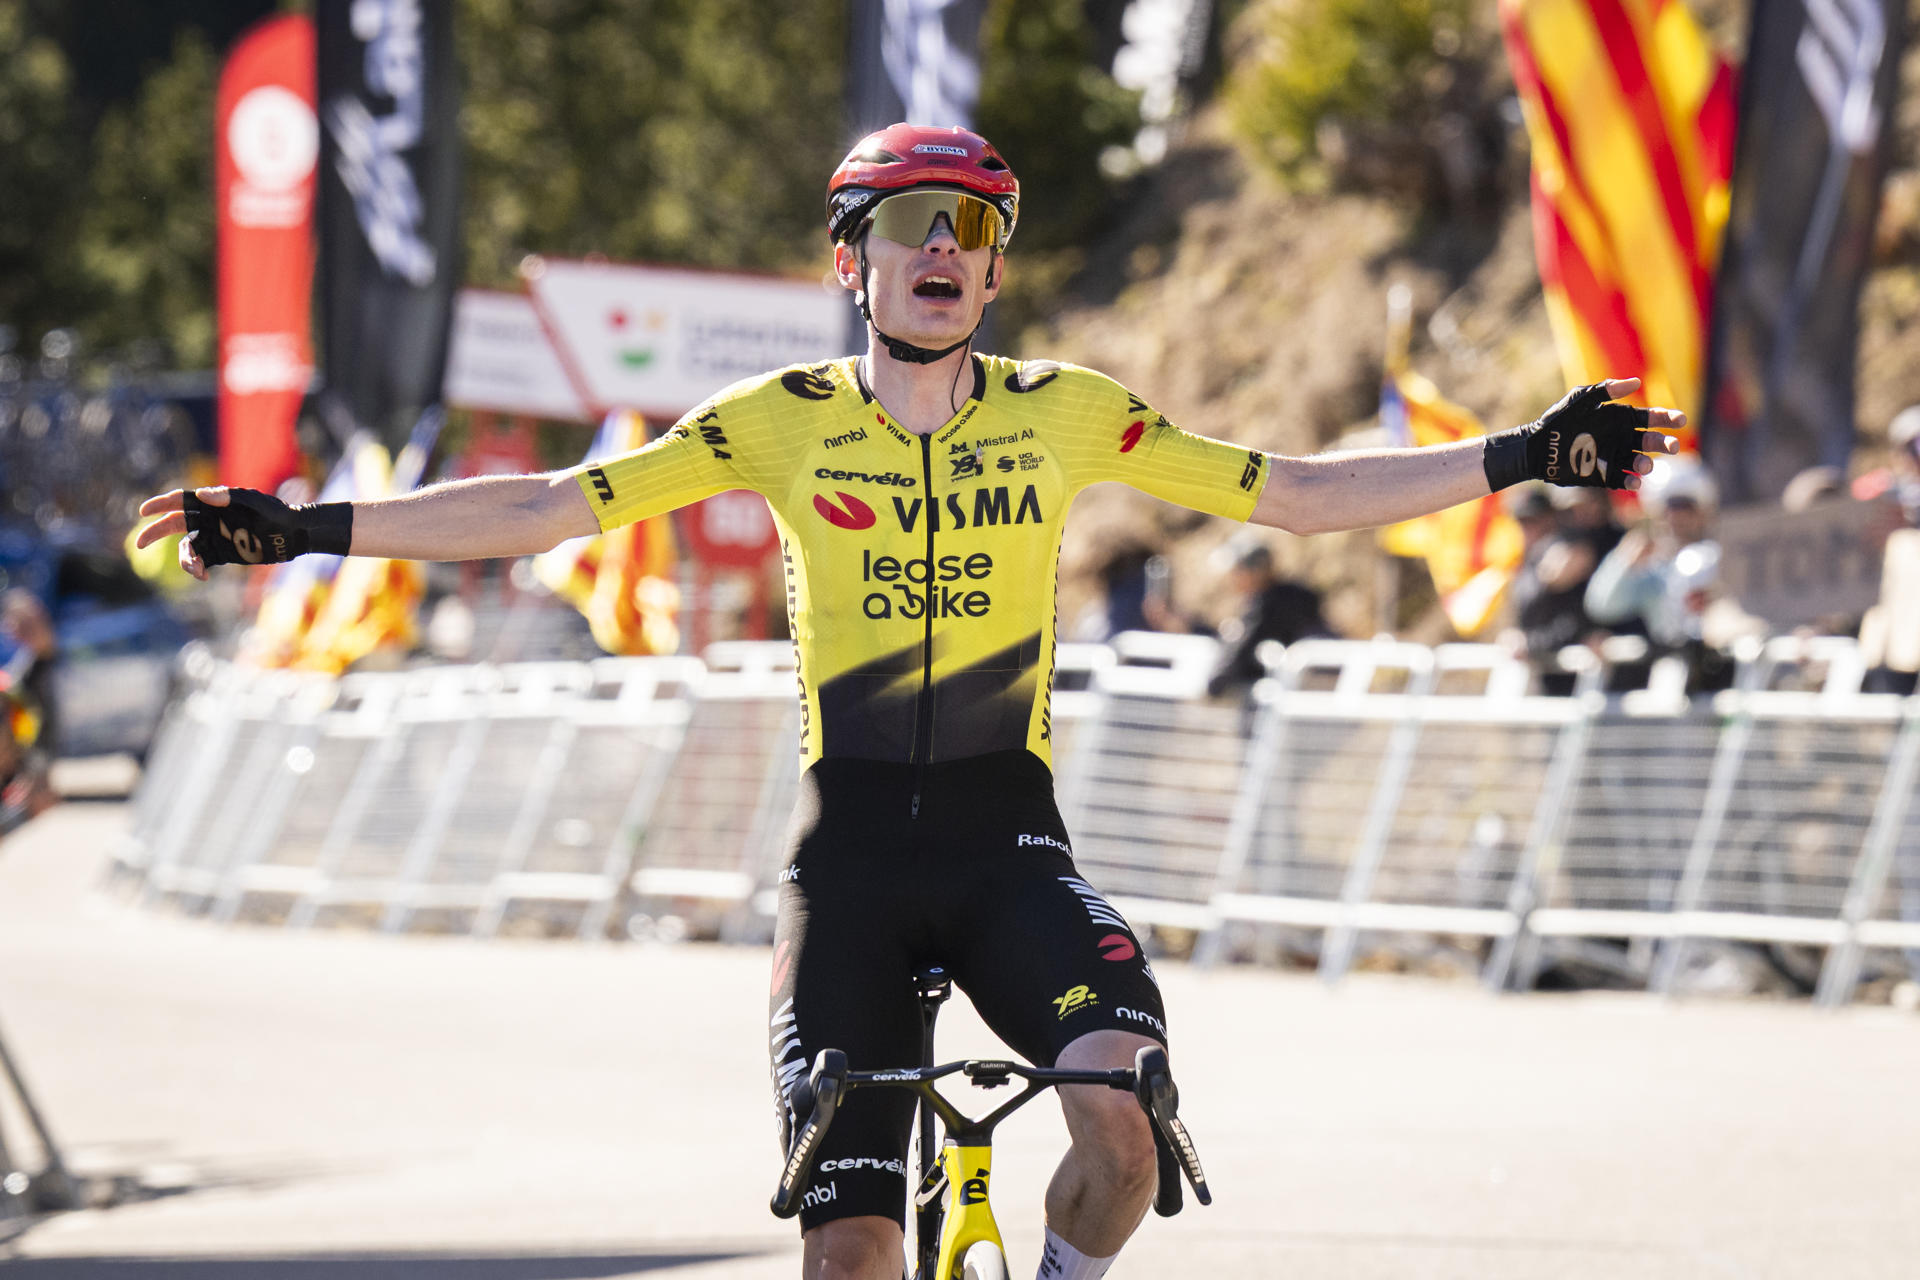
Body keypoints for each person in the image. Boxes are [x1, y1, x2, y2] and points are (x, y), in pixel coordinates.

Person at [136, 123, 1681, 1280]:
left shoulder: (1070, 414)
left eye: (974, 229)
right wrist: (303, 526)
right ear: (852, 260)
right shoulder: (779, 423)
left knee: (1126, 1126)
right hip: (851, 867)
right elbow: (549, 505)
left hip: (1014, 848)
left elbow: (1291, 491)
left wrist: (1523, 455)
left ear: (996, 268)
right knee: (853, 1255)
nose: (945, 248)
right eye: (910, 225)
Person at [1205, 535, 1331, 697]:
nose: (1233, 578)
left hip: (1281, 698)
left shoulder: (1274, 604)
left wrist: (1216, 683)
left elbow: (1243, 648)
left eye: (1238, 571)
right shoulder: (1287, 597)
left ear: (1256, 572)